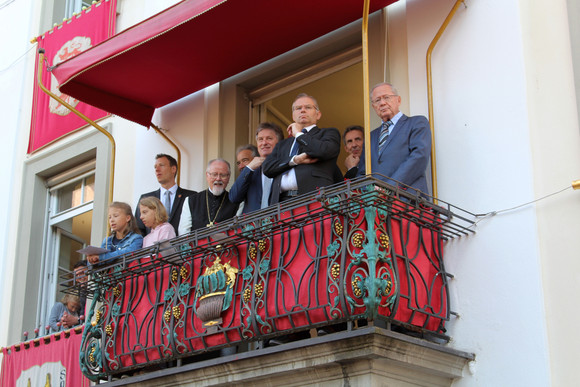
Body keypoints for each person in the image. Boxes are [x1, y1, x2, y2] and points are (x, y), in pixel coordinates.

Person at [263, 93, 341, 203]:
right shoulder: (282, 144)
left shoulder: (328, 133)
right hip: (282, 204)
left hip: (314, 199)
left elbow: (323, 150)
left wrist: (298, 134)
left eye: (308, 107)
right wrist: (294, 160)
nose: (302, 110)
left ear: (318, 114)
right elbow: (267, 168)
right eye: (298, 108)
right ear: (293, 116)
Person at [357, 82, 432, 196]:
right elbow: (362, 174)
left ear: (398, 100)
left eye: (386, 97)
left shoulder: (416, 123)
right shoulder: (370, 137)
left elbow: (419, 158)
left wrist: (388, 188)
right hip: (378, 206)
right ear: (373, 107)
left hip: (408, 203)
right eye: (377, 100)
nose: (382, 103)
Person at [229, 123, 285, 213]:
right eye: (260, 139)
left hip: (280, 223)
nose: (264, 143)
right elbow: (234, 197)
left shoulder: (286, 166)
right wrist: (249, 168)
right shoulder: (251, 171)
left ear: (279, 142)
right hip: (253, 226)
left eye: (269, 138)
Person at [136, 154, 196, 236]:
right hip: (152, 247)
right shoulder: (146, 198)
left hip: (182, 247)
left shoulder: (191, 196)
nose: (157, 170)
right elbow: (138, 229)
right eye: (155, 167)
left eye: (161, 165)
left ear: (173, 169)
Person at [178, 159, 239, 235]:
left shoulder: (236, 202)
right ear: (207, 175)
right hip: (195, 246)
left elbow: (237, 232)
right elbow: (184, 233)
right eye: (214, 174)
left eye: (223, 175)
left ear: (228, 177)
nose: (218, 178)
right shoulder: (191, 200)